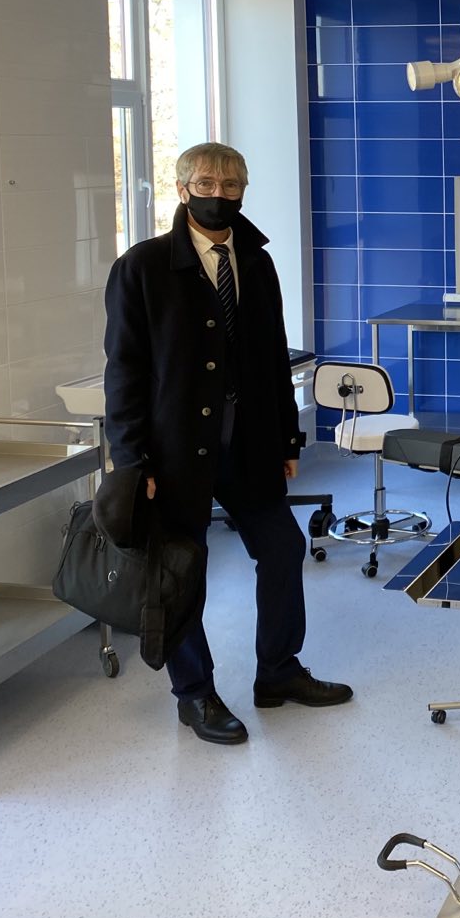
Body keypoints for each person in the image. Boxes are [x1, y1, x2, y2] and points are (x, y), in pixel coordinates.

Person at [104, 142, 352, 744]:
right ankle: (195, 694)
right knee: (181, 569)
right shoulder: (142, 267)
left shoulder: (256, 261)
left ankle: (278, 672)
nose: (220, 194)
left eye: (231, 184)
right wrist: (134, 459)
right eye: (207, 183)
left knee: (283, 548)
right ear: (182, 188)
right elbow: (124, 372)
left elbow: (272, 356)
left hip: (250, 444)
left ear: (243, 190)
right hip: (174, 452)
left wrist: (289, 437)